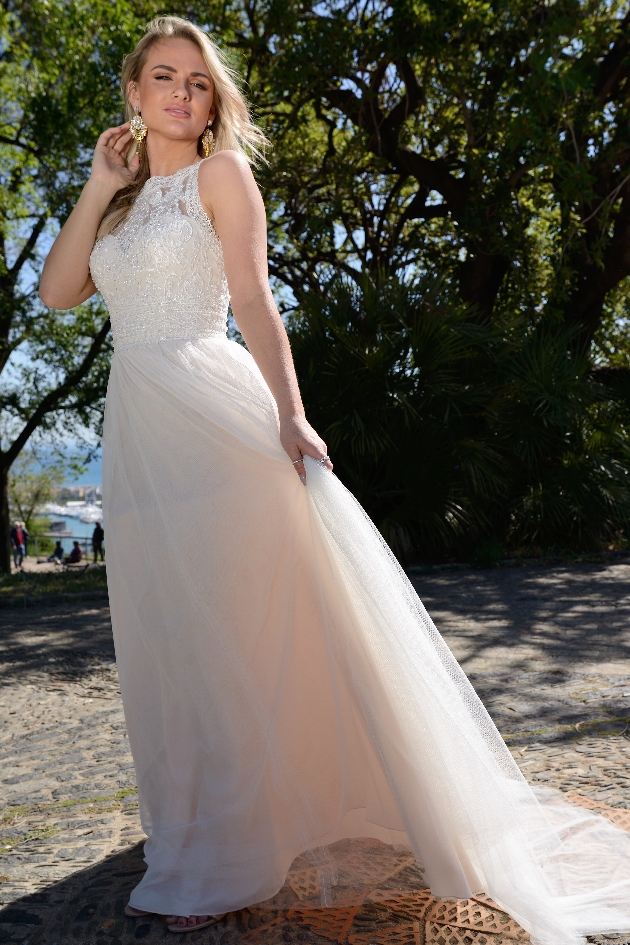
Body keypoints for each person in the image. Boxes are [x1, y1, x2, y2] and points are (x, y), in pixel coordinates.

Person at [39, 16, 630, 943]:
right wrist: (97, 183)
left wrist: (290, 411)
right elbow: (58, 292)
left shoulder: (222, 176)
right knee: (170, 634)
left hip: (213, 413)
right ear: (134, 92)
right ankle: (200, 826)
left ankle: (230, 852)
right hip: (143, 436)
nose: (182, 94)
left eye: (198, 81)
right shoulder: (114, 200)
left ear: (211, 100)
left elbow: (252, 297)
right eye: (164, 77)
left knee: (238, 632)